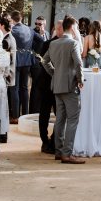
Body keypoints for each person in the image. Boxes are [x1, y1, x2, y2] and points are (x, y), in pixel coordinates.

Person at [41, 15, 85, 164]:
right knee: (72, 120)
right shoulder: (73, 43)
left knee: (60, 119)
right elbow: (78, 63)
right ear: (72, 28)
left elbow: (44, 61)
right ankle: (67, 153)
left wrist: (54, 74)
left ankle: (59, 151)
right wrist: (80, 79)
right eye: (76, 28)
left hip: (57, 85)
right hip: (70, 86)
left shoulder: (53, 43)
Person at [10, 10, 45, 119]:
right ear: (21, 18)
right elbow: (41, 40)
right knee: (24, 88)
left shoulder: (12, 30)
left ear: (12, 19)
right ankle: (25, 114)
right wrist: (33, 52)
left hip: (15, 61)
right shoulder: (29, 29)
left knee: (15, 88)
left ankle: (15, 115)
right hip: (27, 61)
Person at [35, 19, 63, 154]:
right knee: (47, 113)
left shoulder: (66, 43)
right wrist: (55, 74)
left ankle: (51, 141)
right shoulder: (48, 44)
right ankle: (46, 141)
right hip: (47, 84)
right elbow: (43, 62)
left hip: (55, 84)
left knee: (57, 113)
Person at [0, 16, 18, 120]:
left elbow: (5, 60)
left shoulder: (6, 40)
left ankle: (12, 116)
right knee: (11, 95)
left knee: (8, 97)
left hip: (7, 72)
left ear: (2, 26)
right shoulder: (11, 37)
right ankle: (13, 116)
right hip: (11, 71)